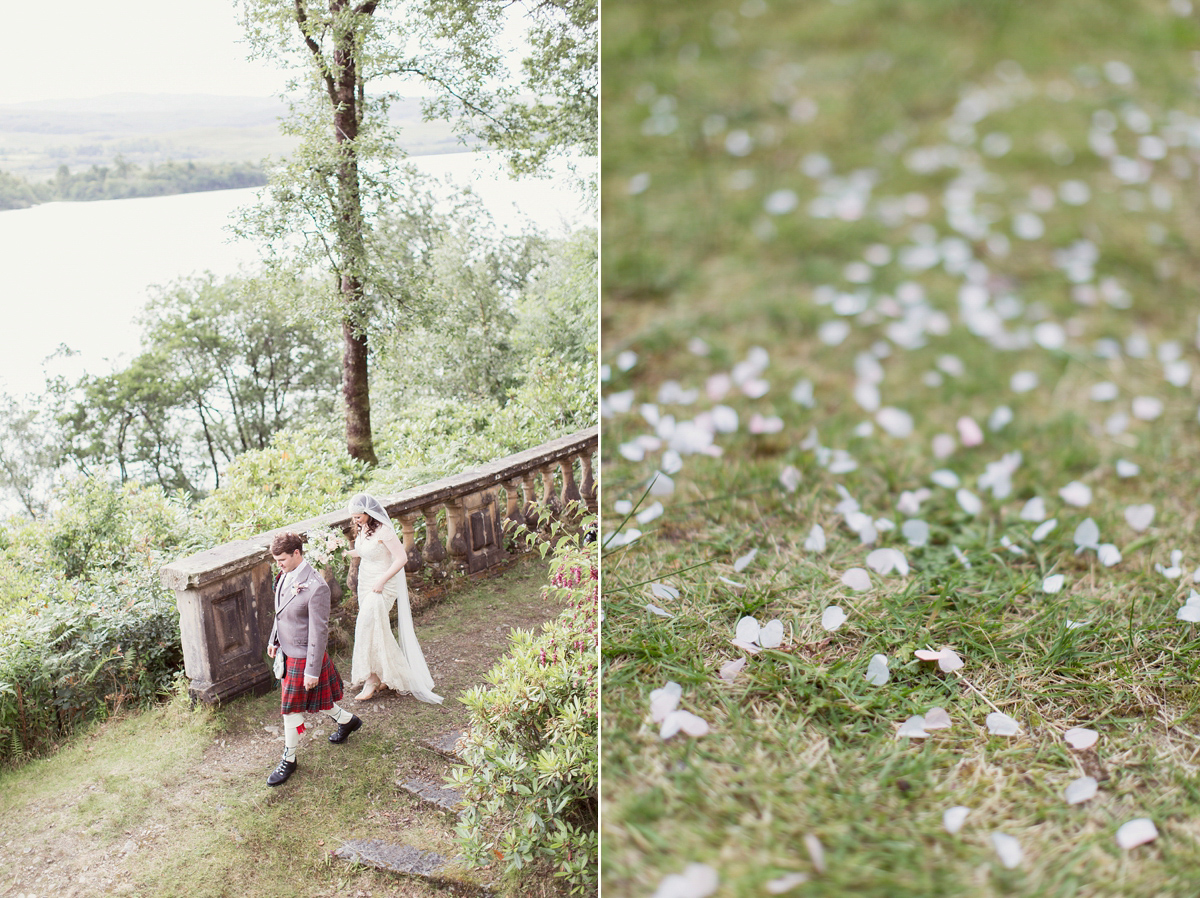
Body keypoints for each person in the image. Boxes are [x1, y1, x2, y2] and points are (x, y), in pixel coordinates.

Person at [265, 531, 362, 787]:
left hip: (304, 658)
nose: (279, 565)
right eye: (276, 560)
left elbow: (319, 633)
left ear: (297, 553)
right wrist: (274, 639)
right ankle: (348, 721)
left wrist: (312, 671)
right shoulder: (284, 575)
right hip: (287, 652)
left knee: (291, 710)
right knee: (317, 701)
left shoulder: (317, 586)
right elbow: (280, 612)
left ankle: (289, 758)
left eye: (282, 559)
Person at [346, 493, 443, 704]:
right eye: (353, 517)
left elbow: (401, 558)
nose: (355, 521)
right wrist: (344, 552)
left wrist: (382, 580)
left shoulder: (385, 531)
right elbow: (365, 552)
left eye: (358, 517)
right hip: (365, 582)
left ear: (369, 513)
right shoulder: (363, 530)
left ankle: (372, 680)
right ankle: (385, 675)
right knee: (374, 628)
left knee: (366, 625)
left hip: (382, 584)